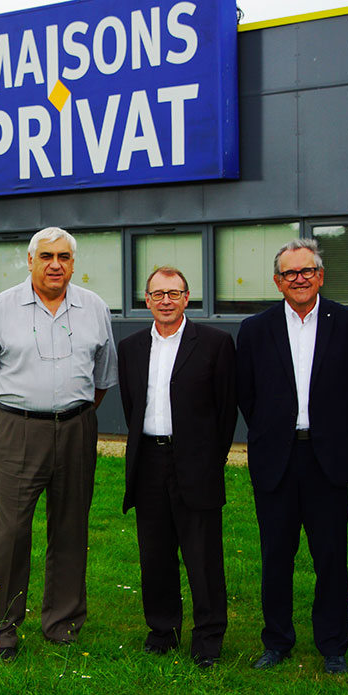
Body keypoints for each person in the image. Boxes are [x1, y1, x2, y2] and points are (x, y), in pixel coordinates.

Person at [0, 226, 117, 661]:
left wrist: (71, 411)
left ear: (73, 263)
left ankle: (63, 622)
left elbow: (101, 380)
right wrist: (8, 424)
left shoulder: (95, 309)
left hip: (78, 428)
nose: (55, 265)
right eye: (46, 256)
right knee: (11, 533)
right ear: (29, 261)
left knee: (70, 528)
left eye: (64, 257)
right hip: (18, 429)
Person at [236, 238, 348, 675]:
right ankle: (277, 642)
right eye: (290, 273)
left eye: (307, 271)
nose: (299, 279)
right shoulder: (256, 329)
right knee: (276, 554)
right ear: (278, 281)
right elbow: (247, 394)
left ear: (320, 276)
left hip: (327, 456)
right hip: (276, 456)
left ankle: (333, 645)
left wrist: (328, 427)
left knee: (330, 554)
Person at [117, 267, 237, 667]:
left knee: (202, 555)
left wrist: (210, 456)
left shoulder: (215, 344)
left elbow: (225, 410)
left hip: (197, 461)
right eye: (157, 294)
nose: (165, 300)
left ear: (187, 298)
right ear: (146, 300)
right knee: (155, 553)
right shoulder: (131, 347)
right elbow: (133, 406)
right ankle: (162, 630)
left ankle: (208, 638)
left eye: (174, 293)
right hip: (148, 460)